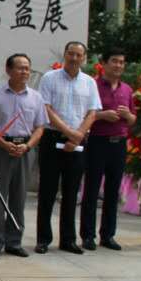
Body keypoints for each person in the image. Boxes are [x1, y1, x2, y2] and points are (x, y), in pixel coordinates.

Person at [36, 41, 101, 254]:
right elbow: (46, 108)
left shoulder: (89, 82)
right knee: (47, 191)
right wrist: (68, 131)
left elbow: (92, 112)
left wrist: (78, 134)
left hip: (78, 141)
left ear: (84, 58)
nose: (74, 58)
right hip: (52, 138)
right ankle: (43, 239)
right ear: (64, 54)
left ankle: (68, 240)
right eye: (70, 54)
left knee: (71, 193)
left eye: (78, 55)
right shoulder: (49, 78)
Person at [0, 53, 47, 258]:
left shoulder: (36, 97)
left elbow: (40, 127)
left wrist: (27, 146)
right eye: (20, 67)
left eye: (27, 68)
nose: (25, 71)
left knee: (19, 197)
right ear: (8, 70)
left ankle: (14, 241)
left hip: (25, 149)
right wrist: (2, 143)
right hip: (1, 148)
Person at [80, 47, 137, 251]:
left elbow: (133, 119)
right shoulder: (92, 85)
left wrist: (128, 116)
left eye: (121, 62)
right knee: (92, 190)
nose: (118, 65)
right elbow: (84, 113)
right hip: (97, 142)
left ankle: (108, 235)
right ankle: (88, 236)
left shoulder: (126, 89)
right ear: (103, 63)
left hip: (118, 144)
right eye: (114, 61)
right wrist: (102, 115)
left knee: (113, 192)